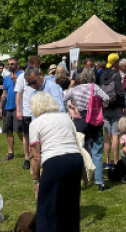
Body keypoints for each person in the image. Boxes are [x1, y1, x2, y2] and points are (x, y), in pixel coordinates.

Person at [29, 91, 84, 232]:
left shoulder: (35, 124)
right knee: (70, 205)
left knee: (47, 207)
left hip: (55, 162)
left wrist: (36, 180)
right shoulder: (65, 117)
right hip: (75, 159)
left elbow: (35, 156)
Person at [64, 67, 111, 192]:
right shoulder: (94, 87)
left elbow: (65, 99)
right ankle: (99, 182)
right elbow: (106, 98)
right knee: (97, 152)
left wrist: (73, 107)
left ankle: (81, 180)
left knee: (81, 153)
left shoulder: (75, 89)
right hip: (94, 121)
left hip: (80, 121)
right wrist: (100, 106)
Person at [101, 53, 126, 169]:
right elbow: (120, 92)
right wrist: (123, 105)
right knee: (115, 135)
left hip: (105, 107)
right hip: (116, 107)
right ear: (116, 63)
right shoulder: (116, 75)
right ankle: (116, 162)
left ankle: (107, 161)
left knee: (107, 134)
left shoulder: (102, 74)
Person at [16, 57, 41, 170]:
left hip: (38, 110)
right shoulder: (22, 77)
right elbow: (18, 94)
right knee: (26, 135)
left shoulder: (39, 75)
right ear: (31, 64)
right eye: (37, 64)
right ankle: (27, 158)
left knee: (39, 134)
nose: (38, 66)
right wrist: (18, 110)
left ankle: (38, 155)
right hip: (26, 111)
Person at [0, 57, 24, 162]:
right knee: (8, 130)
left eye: (12, 64)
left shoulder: (22, 75)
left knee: (19, 130)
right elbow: (4, 94)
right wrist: (0, 107)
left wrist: (16, 80)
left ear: (17, 64)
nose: (10, 66)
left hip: (18, 107)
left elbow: (25, 89)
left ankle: (30, 150)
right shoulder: (6, 78)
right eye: (9, 64)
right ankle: (10, 153)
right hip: (8, 107)